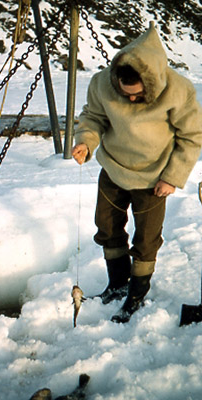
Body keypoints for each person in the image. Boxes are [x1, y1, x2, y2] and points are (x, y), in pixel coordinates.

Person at [72, 21, 202, 323]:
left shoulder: (178, 90)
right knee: (106, 226)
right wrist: (85, 142)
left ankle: (136, 295)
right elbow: (93, 117)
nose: (130, 99)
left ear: (152, 83)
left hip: (155, 178)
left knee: (146, 239)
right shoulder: (102, 83)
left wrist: (172, 177)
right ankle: (117, 285)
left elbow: (192, 137)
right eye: (125, 93)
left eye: (137, 95)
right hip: (114, 168)